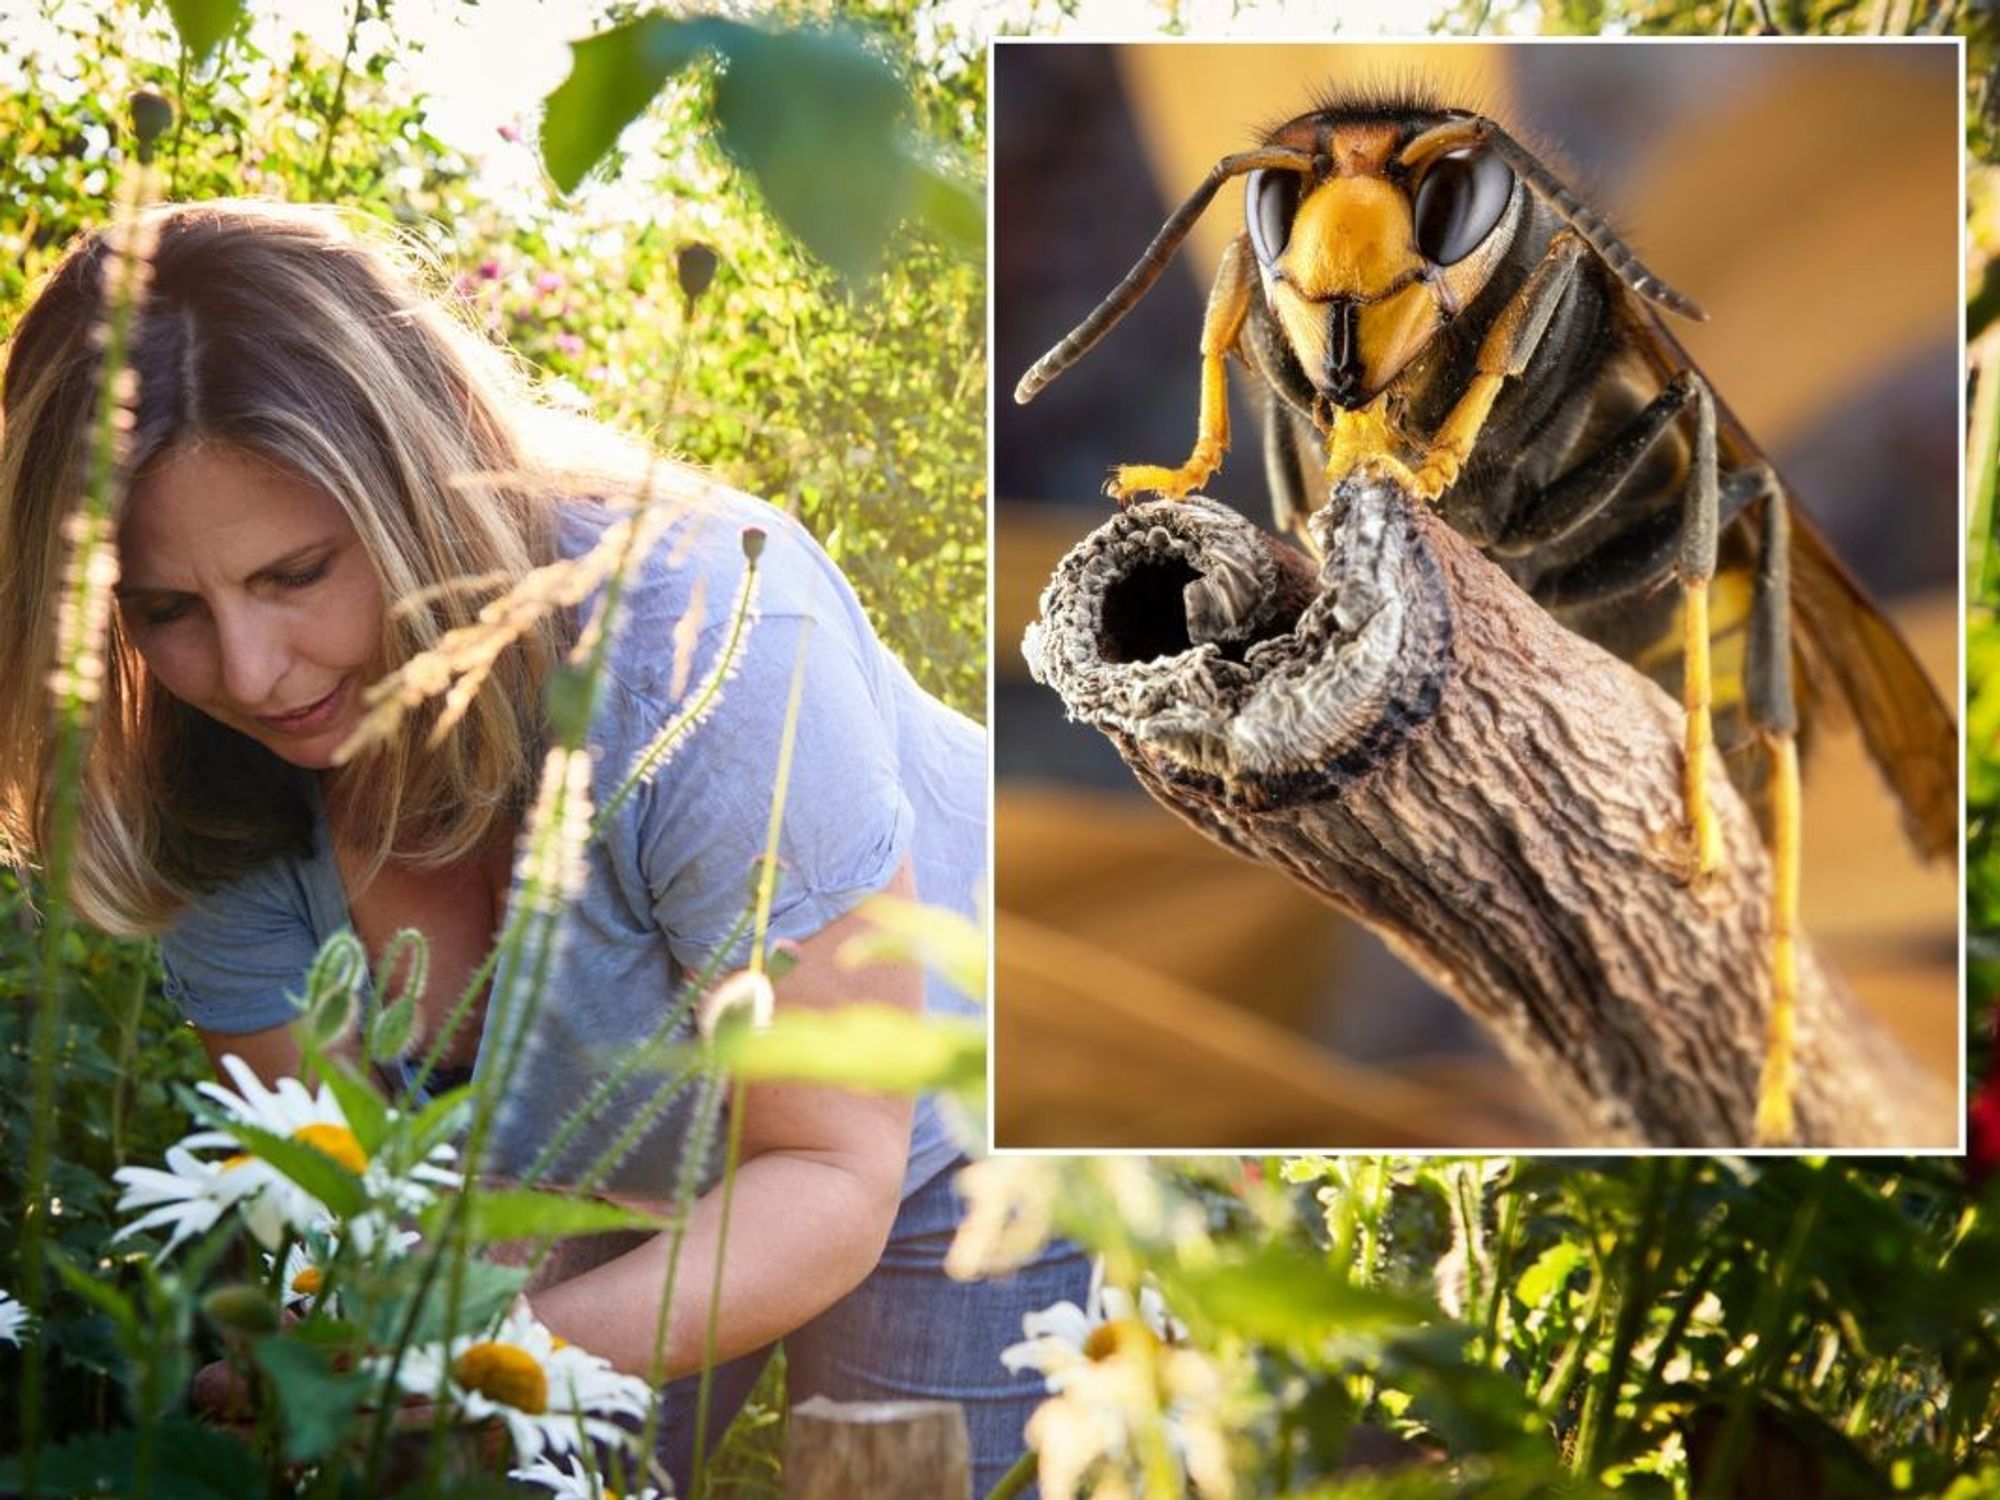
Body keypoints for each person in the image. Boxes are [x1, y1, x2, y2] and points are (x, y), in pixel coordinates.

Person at [0, 200, 1085, 1495]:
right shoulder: (189, 776)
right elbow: (350, 1211)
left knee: (887, 1476)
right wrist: (378, 1366)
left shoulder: (705, 645)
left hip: (950, 1116)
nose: (247, 669)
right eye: (168, 608)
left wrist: (455, 1372)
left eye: (298, 574)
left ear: (427, 487)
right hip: (584, 1167)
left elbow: (829, 1170)